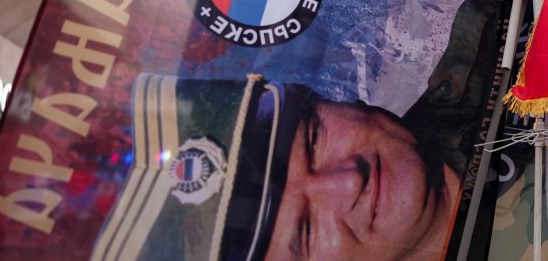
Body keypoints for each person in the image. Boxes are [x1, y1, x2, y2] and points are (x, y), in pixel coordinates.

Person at [92, 74, 467, 261]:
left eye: (314, 141)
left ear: (333, 100)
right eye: (305, 232)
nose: (348, 183)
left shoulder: (507, 28)